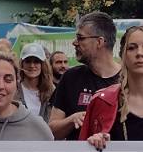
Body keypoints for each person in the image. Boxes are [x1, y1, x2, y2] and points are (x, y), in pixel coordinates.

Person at [47, 12, 121, 140]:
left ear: (99, 42)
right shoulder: (70, 77)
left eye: (80, 38)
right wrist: (71, 120)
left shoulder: (128, 80)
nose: (74, 43)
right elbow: (51, 131)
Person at [17, 43, 55, 117]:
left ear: (42, 65)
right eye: (28, 61)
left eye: (36, 61)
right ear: (22, 64)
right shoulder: (14, 89)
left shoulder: (51, 90)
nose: (32, 65)